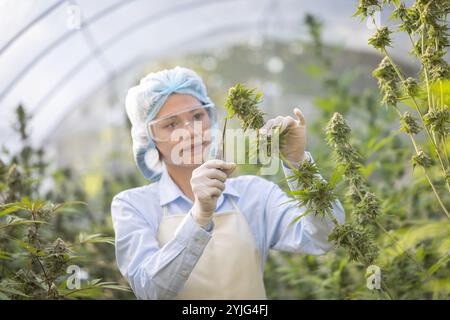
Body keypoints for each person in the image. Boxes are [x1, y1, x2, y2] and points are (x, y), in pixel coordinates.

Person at [111, 66, 345, 300]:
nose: (191, 131)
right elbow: (149, 291)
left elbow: (325, 237)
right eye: (171, 124)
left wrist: (299, 163)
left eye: (197, 116)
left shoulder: (254, 193)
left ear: (210, 119)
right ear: (149, 138)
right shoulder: (133, 206)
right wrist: (199, 217)